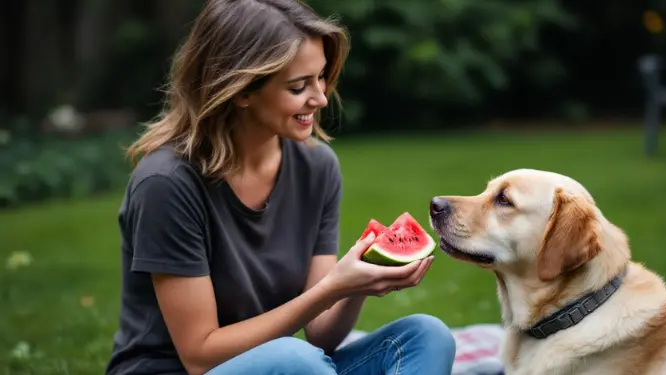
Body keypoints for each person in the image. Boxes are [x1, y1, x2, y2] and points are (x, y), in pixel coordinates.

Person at [104, 0, 456, 374]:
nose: (320, 97)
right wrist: (330, 289)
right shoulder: (167, 183)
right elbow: (199, 355)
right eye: (298, 86)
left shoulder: (316, 167)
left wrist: (354, 285)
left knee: (426, 335)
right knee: (295, 358)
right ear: (241, 90)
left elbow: (321, 333)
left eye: (321, 77)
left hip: (283, 365)